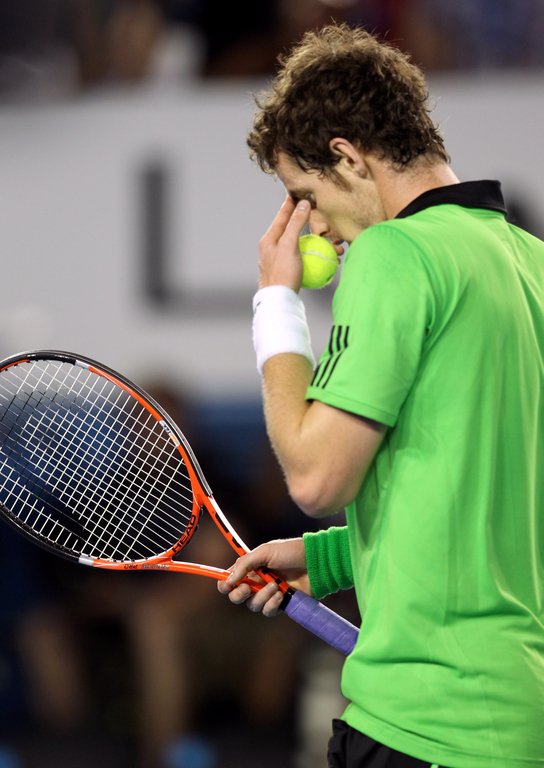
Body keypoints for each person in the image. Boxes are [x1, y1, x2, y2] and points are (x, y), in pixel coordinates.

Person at [217, 22, 544, 768]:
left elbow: (315, 478)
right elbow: (500, 507)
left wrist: (276, 305)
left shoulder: (395, 253)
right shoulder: (531, 263)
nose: (318, 230)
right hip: (521, 725)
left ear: (347, 156)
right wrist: (336, 558)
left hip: (428, 726)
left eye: (307, 196)